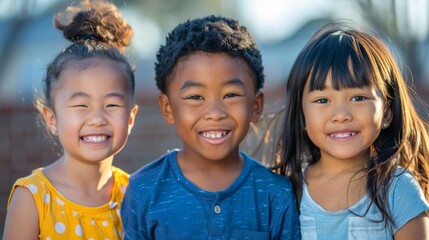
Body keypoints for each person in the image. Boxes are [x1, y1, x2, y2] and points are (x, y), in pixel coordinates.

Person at [120, 15, 300, 239]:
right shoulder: (143, 189)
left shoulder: (275, 194)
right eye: (196, 97)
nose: (215, 113)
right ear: (167, 108)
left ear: (255, 106)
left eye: (231, 95)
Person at [274, 21, 429, 239]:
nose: (341, 114)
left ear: (386, 112)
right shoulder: (288, 190)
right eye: (322, 100)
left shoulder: (397, 190)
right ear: (302, 115)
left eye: (358, 97)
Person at [3, 0, 138, 239]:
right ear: (51, 119)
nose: (97, 118)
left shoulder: (136, 195)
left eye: (112, 105)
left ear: (130, 117)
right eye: (81, 105)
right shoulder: (33, 198)